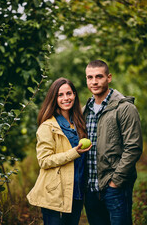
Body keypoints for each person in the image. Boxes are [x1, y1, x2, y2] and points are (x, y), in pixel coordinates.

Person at [83, 60, 143, 225]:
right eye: (90, 77)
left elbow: (133, 147)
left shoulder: (124, 108)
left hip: (115, 187)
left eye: (99, 77)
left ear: (109, 78)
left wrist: (115, 182)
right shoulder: (84, 110)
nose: (94, 82)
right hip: (90, 188)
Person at [27, 77, 92, 225]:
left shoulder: (79, 123)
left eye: (69, 93)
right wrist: (73, 152)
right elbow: (44, 161)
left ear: (74, 95)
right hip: (54, 192)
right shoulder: (48, 126)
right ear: (54, 98)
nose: (65, 98)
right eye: (60, 95)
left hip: (76, 189)